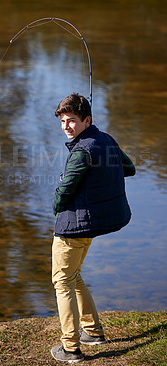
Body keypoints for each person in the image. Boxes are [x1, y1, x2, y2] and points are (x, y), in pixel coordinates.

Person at [50, 93, 135, 363]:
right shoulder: (105, 139)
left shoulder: (82, 150)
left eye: (72, 121)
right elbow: (129, 168)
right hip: (90, 225)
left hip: (74, 227)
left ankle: (71, 348)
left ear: (87, 120)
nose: (66, 126)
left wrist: (56, 207)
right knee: (73, 275)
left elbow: (64, 191)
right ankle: (93, 331)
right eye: (63, 121)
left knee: (61, 281)